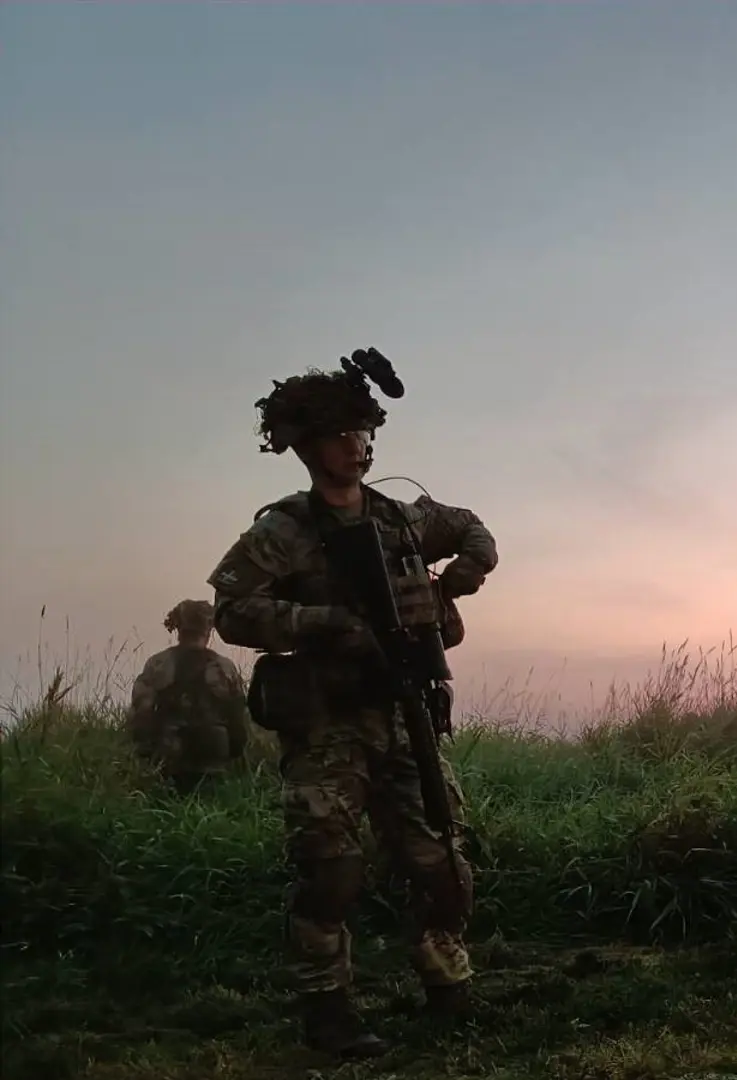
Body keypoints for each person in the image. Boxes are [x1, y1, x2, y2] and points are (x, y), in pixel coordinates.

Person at [205, 350, 498, 1059]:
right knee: (331, 869)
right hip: (329, 723)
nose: (357, 446)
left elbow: (472, 531)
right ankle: (328, 1009)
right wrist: (322, 624)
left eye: (365, 431)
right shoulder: (286, 530)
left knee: (440, 861)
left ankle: (444, 979)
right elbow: (233, 610)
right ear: (306, 445)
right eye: (341, 434)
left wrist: (459, 577)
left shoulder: (400, 518)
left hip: (406, 713)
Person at [126, 599, 250, 794]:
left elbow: (141, 715)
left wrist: (146, 753)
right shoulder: (225, 668)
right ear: (209, 630)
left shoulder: (158, 664)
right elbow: (238, 720)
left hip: (170, 755)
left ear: (179, 628)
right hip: (214, 754)